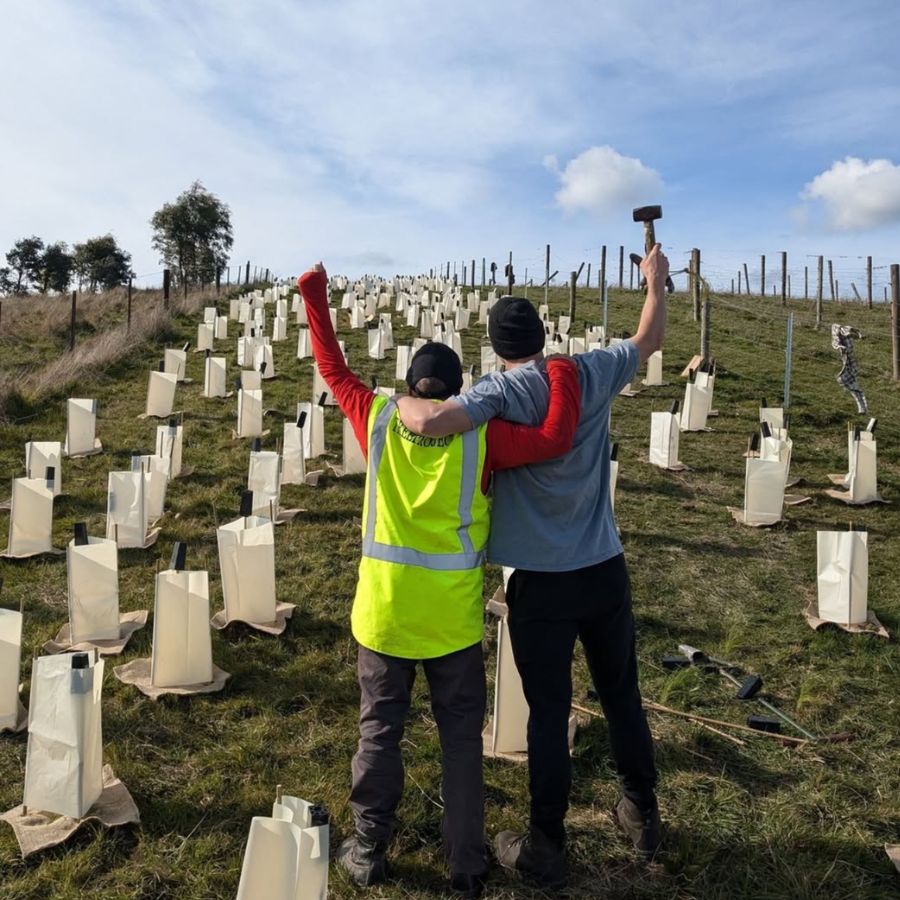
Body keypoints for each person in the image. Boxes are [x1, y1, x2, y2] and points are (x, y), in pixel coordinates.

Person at [297, 264, 581, 898]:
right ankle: (467, 863)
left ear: (407, 384)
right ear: (459, 391)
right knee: (459, 742)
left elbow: (333, 368)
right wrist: (559, 371)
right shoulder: (482, 436)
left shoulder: (373, 419)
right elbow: (553, 438)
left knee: (380, 730)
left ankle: (368, 846)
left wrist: (314, 296)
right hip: (451, 624)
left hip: (384, 615)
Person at [396, 245, 670, 890]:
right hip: (604, 567)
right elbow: (651, 337)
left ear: (494, 347)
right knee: (621, 695)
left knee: (548, 712)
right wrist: (655, 282)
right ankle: (643, 812)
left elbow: (435, 421)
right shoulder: (591, 370)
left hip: (538, 584)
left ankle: (547, 843)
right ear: (544, 338)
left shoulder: (498, 390)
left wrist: (394, 406)